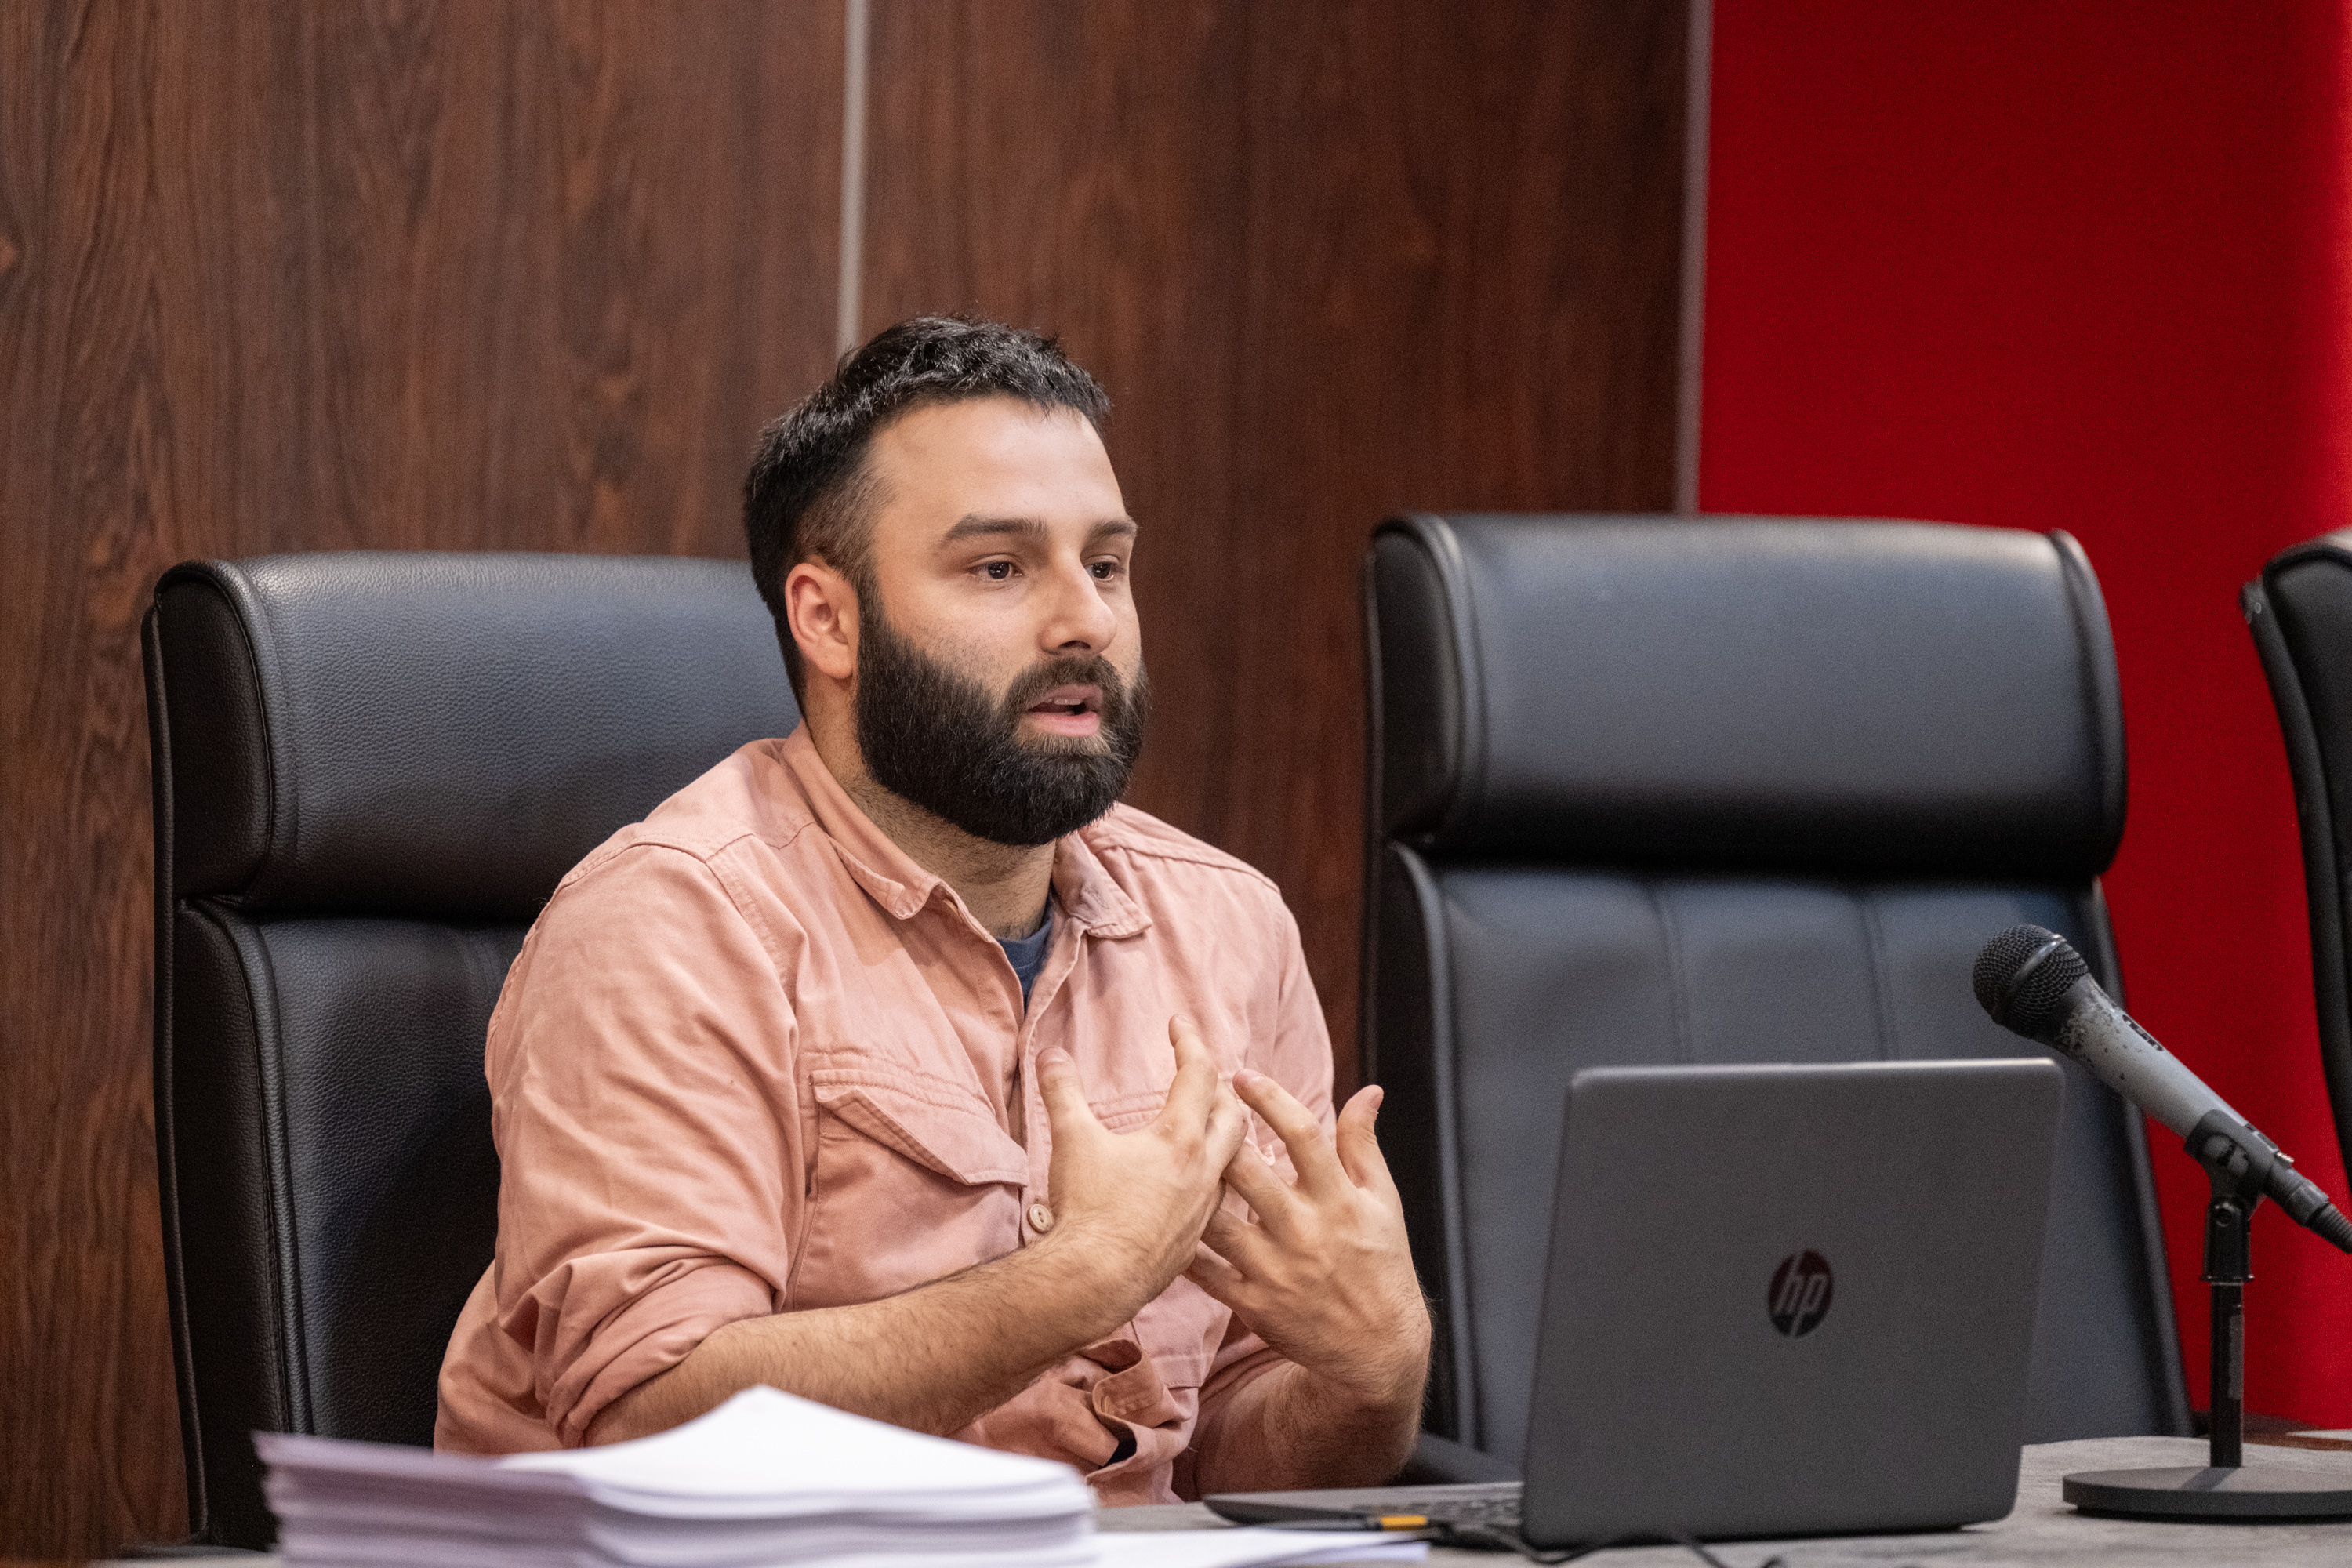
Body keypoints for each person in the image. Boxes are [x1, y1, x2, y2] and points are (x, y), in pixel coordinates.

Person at [434, 316, 1431, 1503]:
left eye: (1107, 565)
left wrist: (1370, 1375)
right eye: (999, 568)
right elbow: (648, 1422)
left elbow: (1228, 1450)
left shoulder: (1228, 927)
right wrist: (1080, 1279)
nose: (1086, 620)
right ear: (829, 619)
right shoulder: (674, 922)